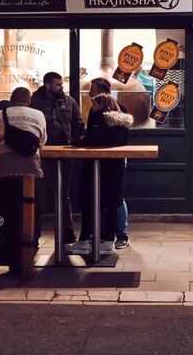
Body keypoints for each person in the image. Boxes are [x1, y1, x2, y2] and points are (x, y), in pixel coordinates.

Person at [68, 92, 133, 256]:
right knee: (111, 204)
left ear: (101, 105)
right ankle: (108, 242)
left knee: (89, 203)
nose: (92, 107)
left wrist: (76, 140)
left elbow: (91, 140)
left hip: (97, 168)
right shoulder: (121, 122)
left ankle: (84, 241)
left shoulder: (100, 119)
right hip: (115, 168)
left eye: (94, 104)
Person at [0, 86, 47, 255]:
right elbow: (42, 140)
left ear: (11, 100)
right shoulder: (39, 114)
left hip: (4, 166)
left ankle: (9, 241)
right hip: (31, 166)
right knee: (32, 204)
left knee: (7, 204)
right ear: (29, 101)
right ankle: (32, 240)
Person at [31, 72, 84, 244]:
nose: (62, 87)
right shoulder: (34, 101)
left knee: (64, 195)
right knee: (38, 194)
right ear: (48, 85)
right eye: (58, 84)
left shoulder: (69, 102)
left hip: (65, 154)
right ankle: (33, 236)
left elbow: (78, 123)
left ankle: (67, 235)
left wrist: (73, 142)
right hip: (42, 155)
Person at [89, 77, 130, 249]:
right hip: (108, 159)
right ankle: (108, 233)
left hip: (111, 160)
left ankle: (120, 234)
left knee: (115, 196)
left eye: (92, 89)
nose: (89, 93)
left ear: (100, 91)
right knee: (110, 196)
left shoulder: (112, 108)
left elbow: (94, 136)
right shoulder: (115, 108)